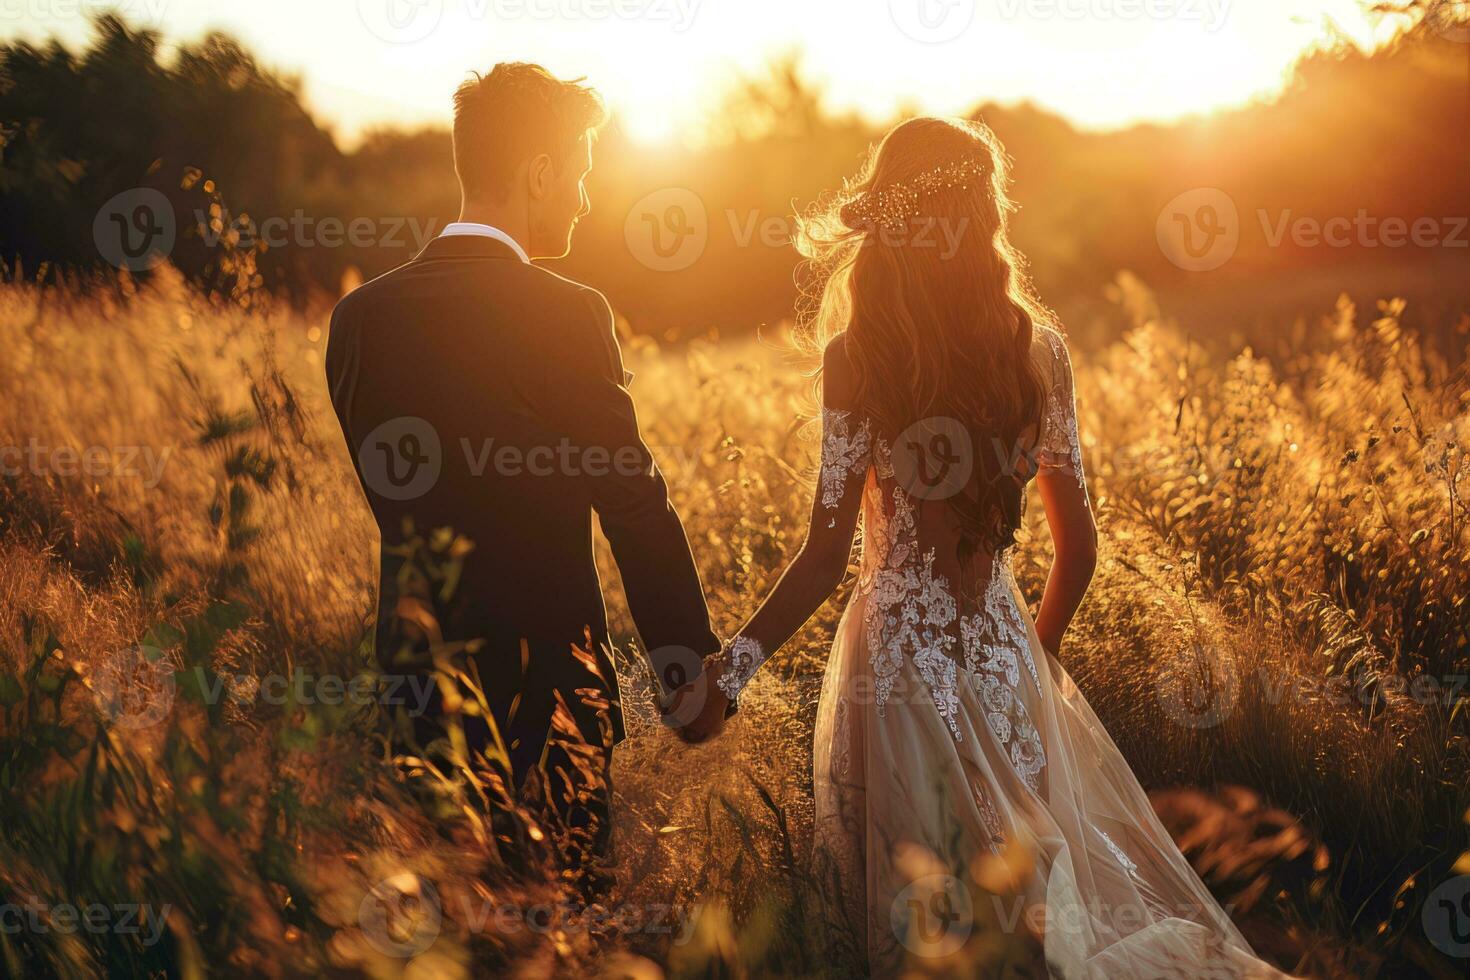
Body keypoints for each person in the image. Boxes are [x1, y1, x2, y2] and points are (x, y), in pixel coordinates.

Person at [690, 116, 1288, 978]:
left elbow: (825, 555)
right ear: (987, 214)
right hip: (1006, 652)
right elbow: (1078, 547)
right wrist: (1032, 659)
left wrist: (729, 675)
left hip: (892, 666)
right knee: (1029, 908)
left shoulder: (856, 357)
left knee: (922, 917)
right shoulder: (1037, 349)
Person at [323, 63, 726, 883]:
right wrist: (687, 668)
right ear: (539, 172)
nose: (583, 199)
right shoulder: (566, 312)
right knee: (561, 932)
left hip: (416, 706)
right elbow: (632, 504)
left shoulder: (357, 320)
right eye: (578, 174)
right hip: (550, 706)